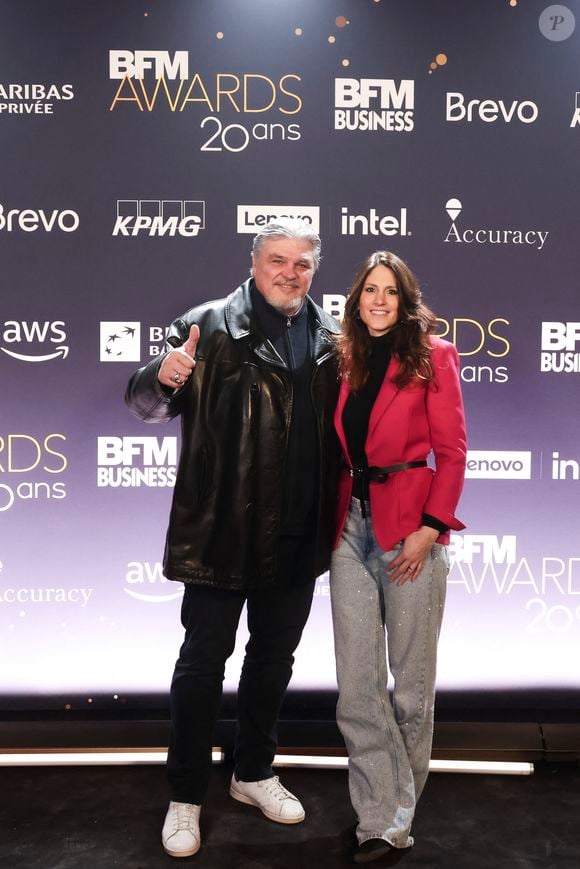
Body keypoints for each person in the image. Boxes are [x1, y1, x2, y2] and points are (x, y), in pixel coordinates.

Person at [125, 218, 340, 858]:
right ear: (254, 262)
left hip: (299, 535)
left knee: (273, 664)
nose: (290, 272)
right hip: (221, 531)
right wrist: (164, 376)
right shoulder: (207, 324)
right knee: (201, 667)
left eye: (302, 263)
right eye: (278, 260)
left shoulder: (332, 337)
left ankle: (252, 773)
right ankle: (185, 795)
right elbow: (145, 404)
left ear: (313, 270)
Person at [330, 251, 467, 865]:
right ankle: (379, 817)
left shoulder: (434, 357)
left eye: (390, 291)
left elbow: (453, 451)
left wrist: (431, 528)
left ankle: (394, 816)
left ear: (405, 300)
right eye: (370, 291)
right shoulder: (345, 359)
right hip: (349, 532)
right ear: (356, 300)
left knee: (410, 687)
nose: (379, 301)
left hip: (409, 529)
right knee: (357, 687)